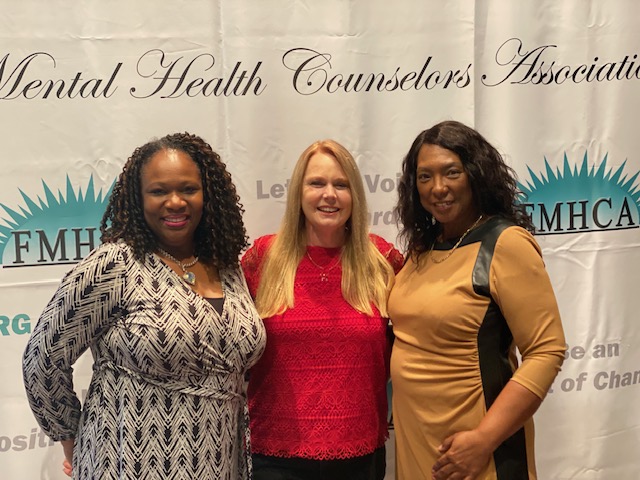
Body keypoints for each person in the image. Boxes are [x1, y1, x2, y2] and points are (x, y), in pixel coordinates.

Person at [22, 132, 266, 480]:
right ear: (138, 199)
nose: (175, 202)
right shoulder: (115, 265)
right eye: (159, 191)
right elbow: (43, 358)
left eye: (188, 189)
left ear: (208, 194)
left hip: (219, 459)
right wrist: (71, 438)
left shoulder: (226, 266)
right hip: (128, 461)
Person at [389, 120, 566, 480]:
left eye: (451, 172)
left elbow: (547, 351)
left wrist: (484, 440)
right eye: (425, 177)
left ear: (476, 174)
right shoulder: (422, 248)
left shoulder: (505, 243)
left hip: (475, 452)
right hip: (417, 445)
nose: (438, 187)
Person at [241, 139, 404, 480]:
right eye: (316, 183)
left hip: (360, 455)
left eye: (341, 185)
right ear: (298, 194)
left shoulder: (382, 262)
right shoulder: (263, 260)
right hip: (274, 455)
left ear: (354, 194)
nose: (329, 194)